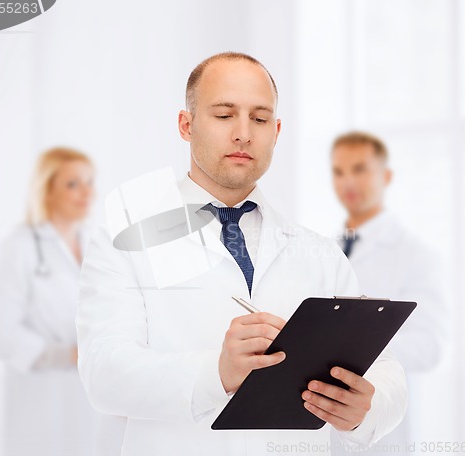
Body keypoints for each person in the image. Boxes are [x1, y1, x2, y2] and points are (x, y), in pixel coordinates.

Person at [76, 52, 408, 456]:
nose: (243, 134)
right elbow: (103, 374)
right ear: (186, 124)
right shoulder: (123, 239)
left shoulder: (318, 252)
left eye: (260, 118)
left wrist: (364, 410)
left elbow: (385, 367)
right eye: (223, 115)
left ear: (277, 131)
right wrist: (216, 373)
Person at [330, 131, 447, 454]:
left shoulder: (416, 254)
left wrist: (355, 347)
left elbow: (430, 346)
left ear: (387, 175)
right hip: (328, 422)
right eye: (339, 172)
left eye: (360, 169)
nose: (348, 182)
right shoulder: (326, 249)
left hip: (385, 429)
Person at [0, 147, 100, 456]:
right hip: (40, 399)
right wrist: (64, 355)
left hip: (90, 401)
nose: (86, 192)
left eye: (89, 181)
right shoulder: (17, 245)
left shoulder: (95, 244)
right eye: (73, 184)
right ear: (46, 191)